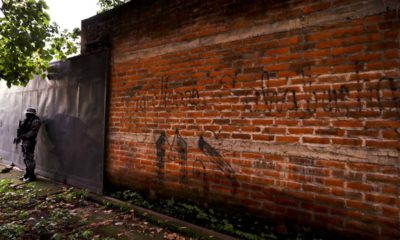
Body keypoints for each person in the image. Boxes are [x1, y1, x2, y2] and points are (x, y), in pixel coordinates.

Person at [17, 107, 41, 182]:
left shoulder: (35, 121)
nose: (26, 115)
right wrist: (19, 137)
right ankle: (27, 173)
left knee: (30, 159)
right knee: (25, 158)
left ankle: (32, 175)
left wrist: (23, 136)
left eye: (28, 114)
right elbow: (22, 130)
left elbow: (33, 132)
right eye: (27, 113)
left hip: (29, 142)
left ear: (32, 114)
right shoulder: (26, 121)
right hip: (24, 141)